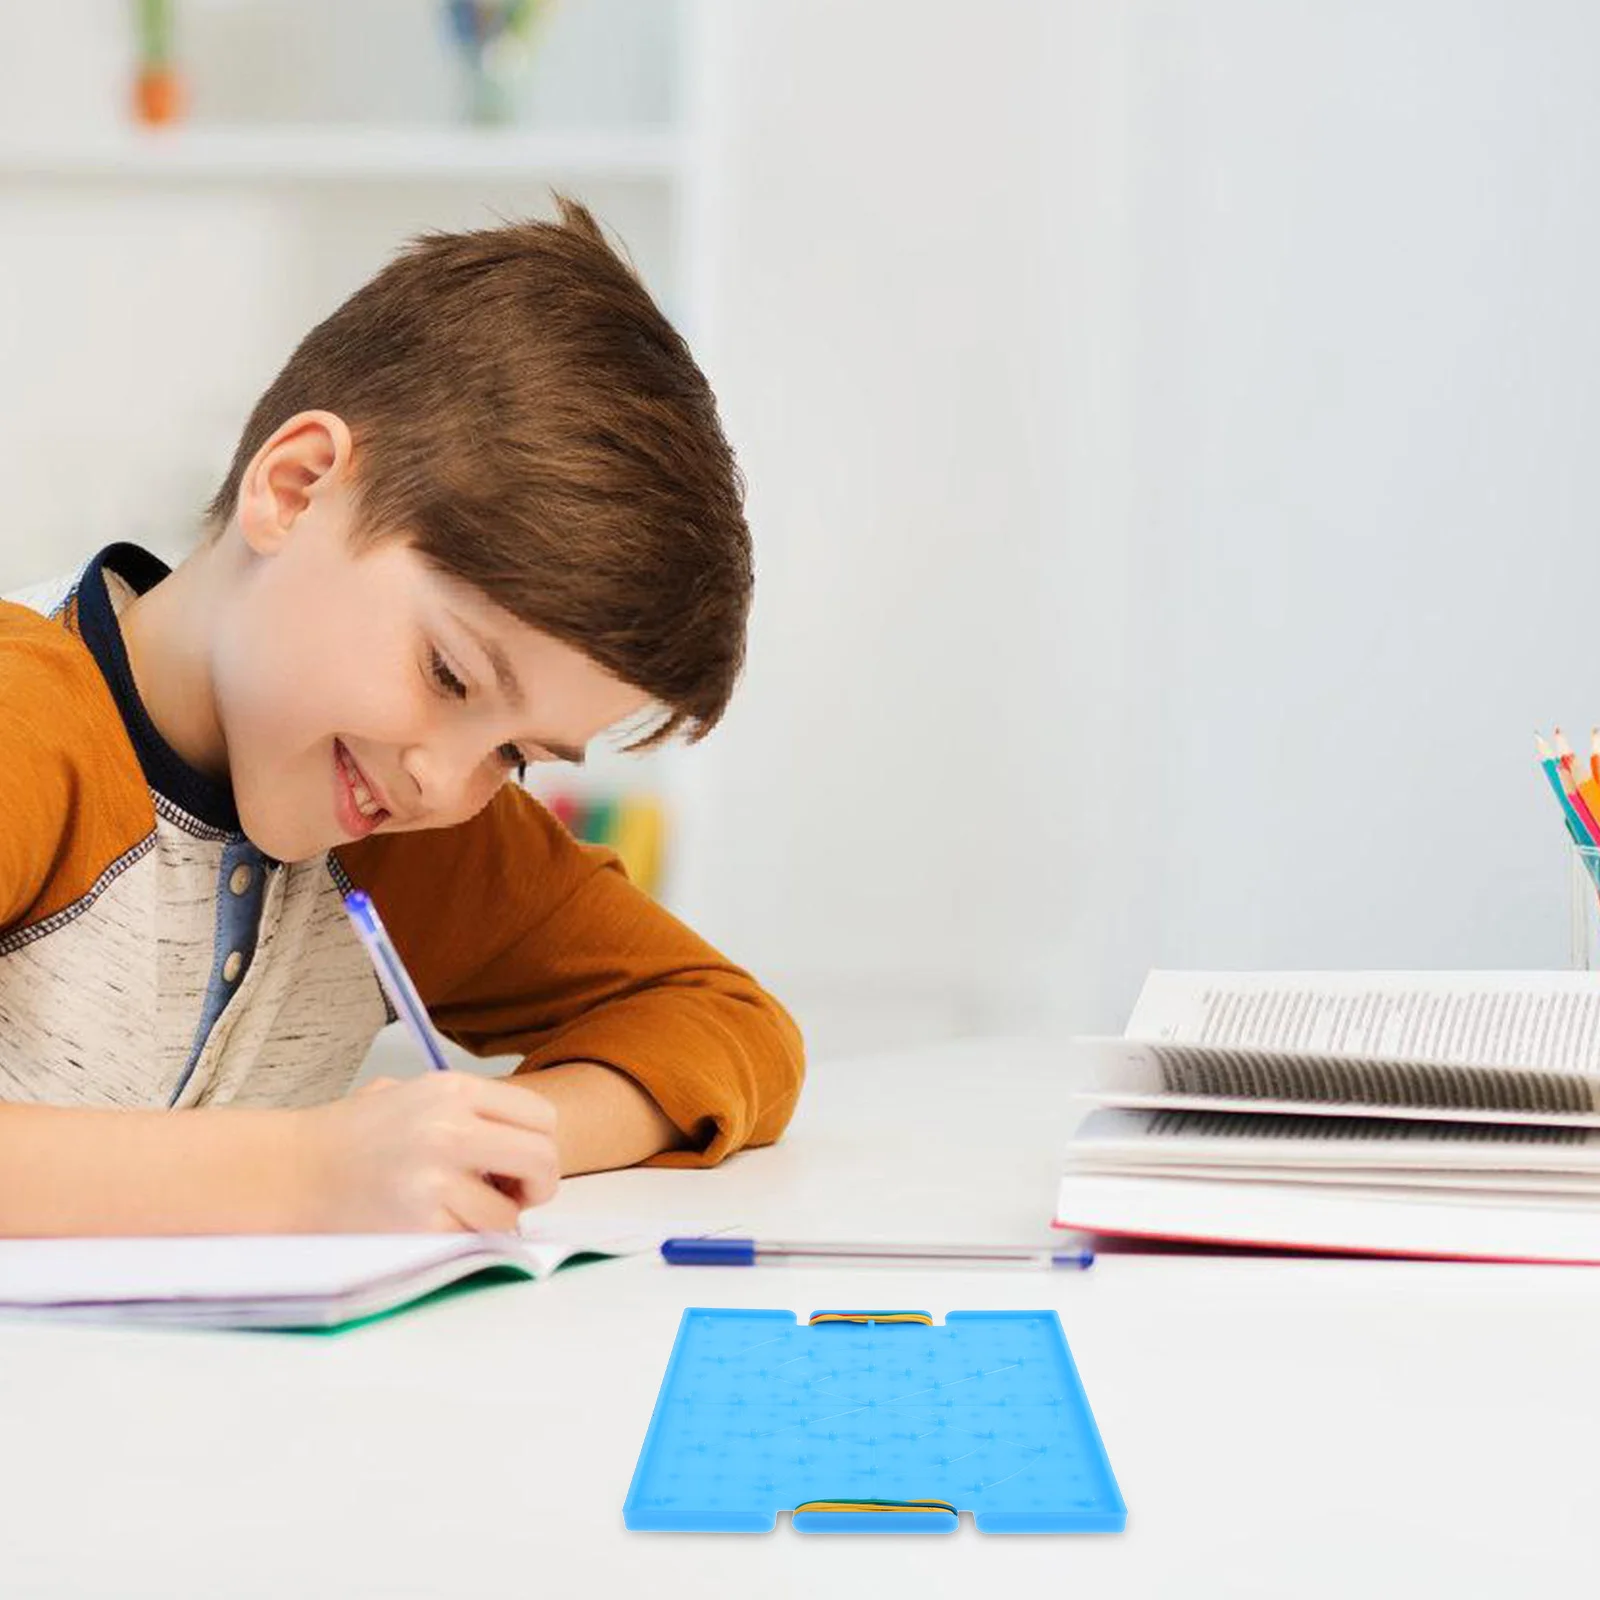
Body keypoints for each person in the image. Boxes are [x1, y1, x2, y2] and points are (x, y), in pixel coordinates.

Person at [0, 197, 803, 1236]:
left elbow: (728, 1023)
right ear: (293, 490)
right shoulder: (29, 722)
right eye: (451, 676)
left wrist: (484, 1137)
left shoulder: (397, 822)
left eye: (515, 754)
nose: (446, 782)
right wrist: (312, 1171)